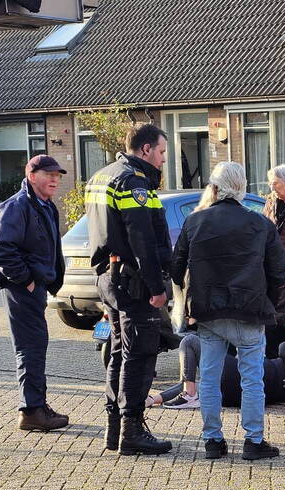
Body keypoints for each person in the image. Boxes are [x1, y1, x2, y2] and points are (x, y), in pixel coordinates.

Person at [171, 162, 285, 461]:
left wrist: (191, 298)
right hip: (250, 310)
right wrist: (268, 303)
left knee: (208, 377)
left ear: (215, 187)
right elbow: (278, 273)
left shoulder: (195, 221)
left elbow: (175, 268)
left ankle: (212, 440)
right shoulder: (262, 224)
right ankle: (253, 440)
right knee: (252, 378)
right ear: (243, 187)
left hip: (209, 312)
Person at [87, 123, 173, 455]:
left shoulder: (101, 175)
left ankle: (115, 429)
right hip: (134, 282)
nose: (164, 160)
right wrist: (156, 288)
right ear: (146, 149)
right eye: (162, 152)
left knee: (120, 353)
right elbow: (143, 241)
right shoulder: (133, 182)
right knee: (140, 356)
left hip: (109, 278)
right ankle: (133, 430)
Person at [0, 155, 68, 432]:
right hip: (22, 289)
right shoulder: (17, 206)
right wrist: (27, 281)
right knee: (30, 347)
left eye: (57, 175)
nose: (55, 179)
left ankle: (37, 405)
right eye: (49, 174)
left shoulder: (42, 205)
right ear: (32, 176)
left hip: (36, 287)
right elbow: (2, 251)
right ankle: (31, 411)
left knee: (36, 345)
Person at [147, 339, 285, 409]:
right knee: (194, 383)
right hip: (235, 397)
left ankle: (189, 395)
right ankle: (152, 400)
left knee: (190, 341)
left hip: (238, 376)